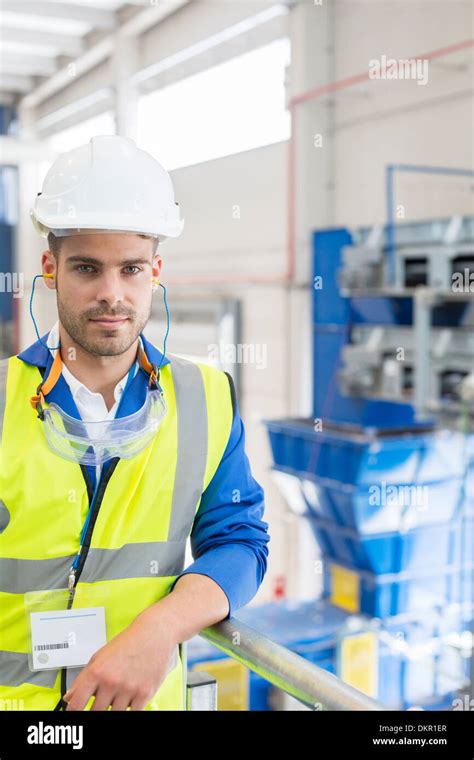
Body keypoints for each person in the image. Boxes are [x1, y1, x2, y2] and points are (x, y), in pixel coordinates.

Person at [0, 135, 270, 712]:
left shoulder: (206, 397)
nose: (111, 294)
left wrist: (159, 630)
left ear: (156, 270)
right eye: (86, 268)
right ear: (50, 269)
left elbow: (240, 542)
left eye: (131, 269)